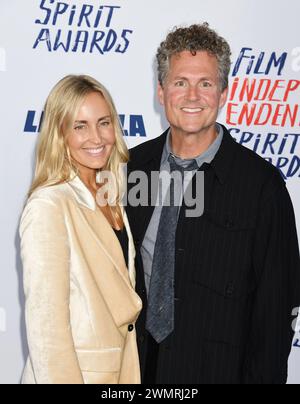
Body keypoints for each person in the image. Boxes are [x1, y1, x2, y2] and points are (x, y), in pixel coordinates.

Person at [126, 24, 300, 384]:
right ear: (161, 91)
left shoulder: (262, 187)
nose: (192, 95)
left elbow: (274, 317)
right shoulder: (129, 170)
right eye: (179, 82)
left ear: (223, 93)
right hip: (133, 374)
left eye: (205, 83)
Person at [20, 75, 142, 384]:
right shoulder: (50, 204)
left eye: (103, 122)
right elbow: (47, 331)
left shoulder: (109, 194)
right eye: (80, 126)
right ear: (60, 134)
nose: (97, 137)